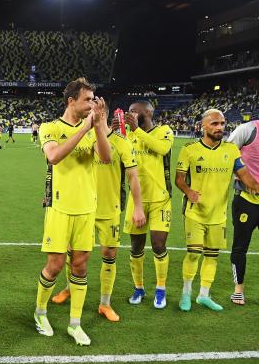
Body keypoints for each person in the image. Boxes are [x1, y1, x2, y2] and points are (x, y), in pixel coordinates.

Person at [34, 77, 111, 346]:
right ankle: (40, 313)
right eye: (87, 99)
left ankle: (74, 324)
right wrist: (85, 128)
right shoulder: (50, 127)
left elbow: (106, 158)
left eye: (93, 99)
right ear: (71, 101)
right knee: (55, 266)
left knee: (79, 266)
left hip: (86, 207)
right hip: (60, 206)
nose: (92, 103)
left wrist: (99, 127)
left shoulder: (93, 128)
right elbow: (53, 157)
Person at [51, 116, 146, 322]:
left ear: (103, 115)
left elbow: (133, 177)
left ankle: (105, 303)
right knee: (73, 253)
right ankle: (69, 288)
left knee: (109, 254)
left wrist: (138, 207)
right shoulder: (82, 139)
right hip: (82, 206)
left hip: (109, 209)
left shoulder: (121, 142)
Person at [175, 109, 259, 312]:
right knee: (194, 254)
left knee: (212, 256)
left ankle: (204, 295)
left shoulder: (231, 150)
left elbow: (244, 175)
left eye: (222, 123)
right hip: (195, 213)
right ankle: (186, 294)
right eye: (214, 124)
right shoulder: (189, 149)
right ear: (203, 126)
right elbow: (179, 179)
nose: (219, 127)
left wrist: (256, 187)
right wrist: (188, 191)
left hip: (218, 214)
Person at [123, 100, 174, 309]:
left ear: (148, 112)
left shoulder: (164, 131)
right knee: (136, 247)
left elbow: (161, 149)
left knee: (159, 245)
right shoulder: (127, 134)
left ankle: (161, 288)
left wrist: (136, 130)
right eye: (129, 111)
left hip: (160, 200)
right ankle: (139, 287)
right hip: (136, 201)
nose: (130, 114)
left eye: (134, 111)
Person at [226, 117, 259, 305]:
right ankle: (238, 291)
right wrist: (246, 178)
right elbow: (226, 155)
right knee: (240, 246)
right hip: (246, 200)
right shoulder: (247, 130)